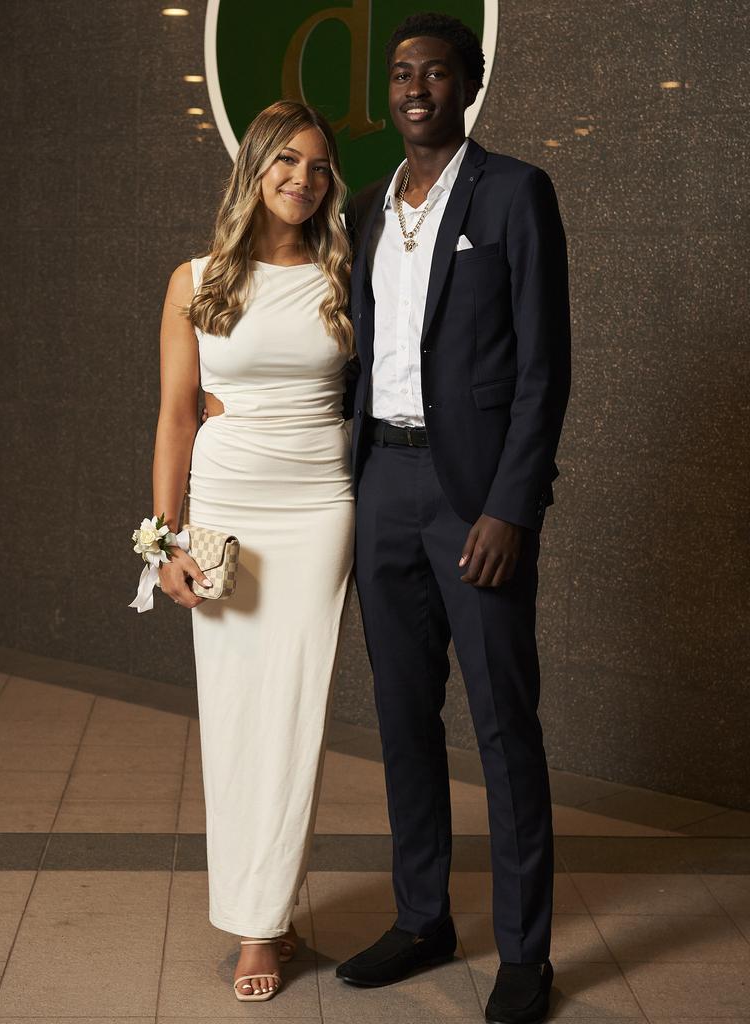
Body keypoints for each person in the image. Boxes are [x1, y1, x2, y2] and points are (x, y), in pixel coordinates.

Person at [335, 14, 571, 1024]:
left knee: (504, 724)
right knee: (399, 717)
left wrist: (510, 506)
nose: (416, 84)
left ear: (468, 84)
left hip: (473, 500)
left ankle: (526, 951)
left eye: (435, 70)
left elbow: (543, 367)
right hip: (380, 483)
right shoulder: (362, 209)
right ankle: (423, 914)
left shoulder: (514, 192)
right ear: (388, 93)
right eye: (400, 72)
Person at [150, 100, 355, 1003]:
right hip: (226, 509)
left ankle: (264, 922)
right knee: (234, 717)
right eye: (286, 164)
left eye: (316, 168)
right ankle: (254, 919)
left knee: (296, 716)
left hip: (318, 509)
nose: (301, 181)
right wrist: (162, 542)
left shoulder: (347, 273)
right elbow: (176, 416)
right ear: (253, 170)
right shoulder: (194, 278)